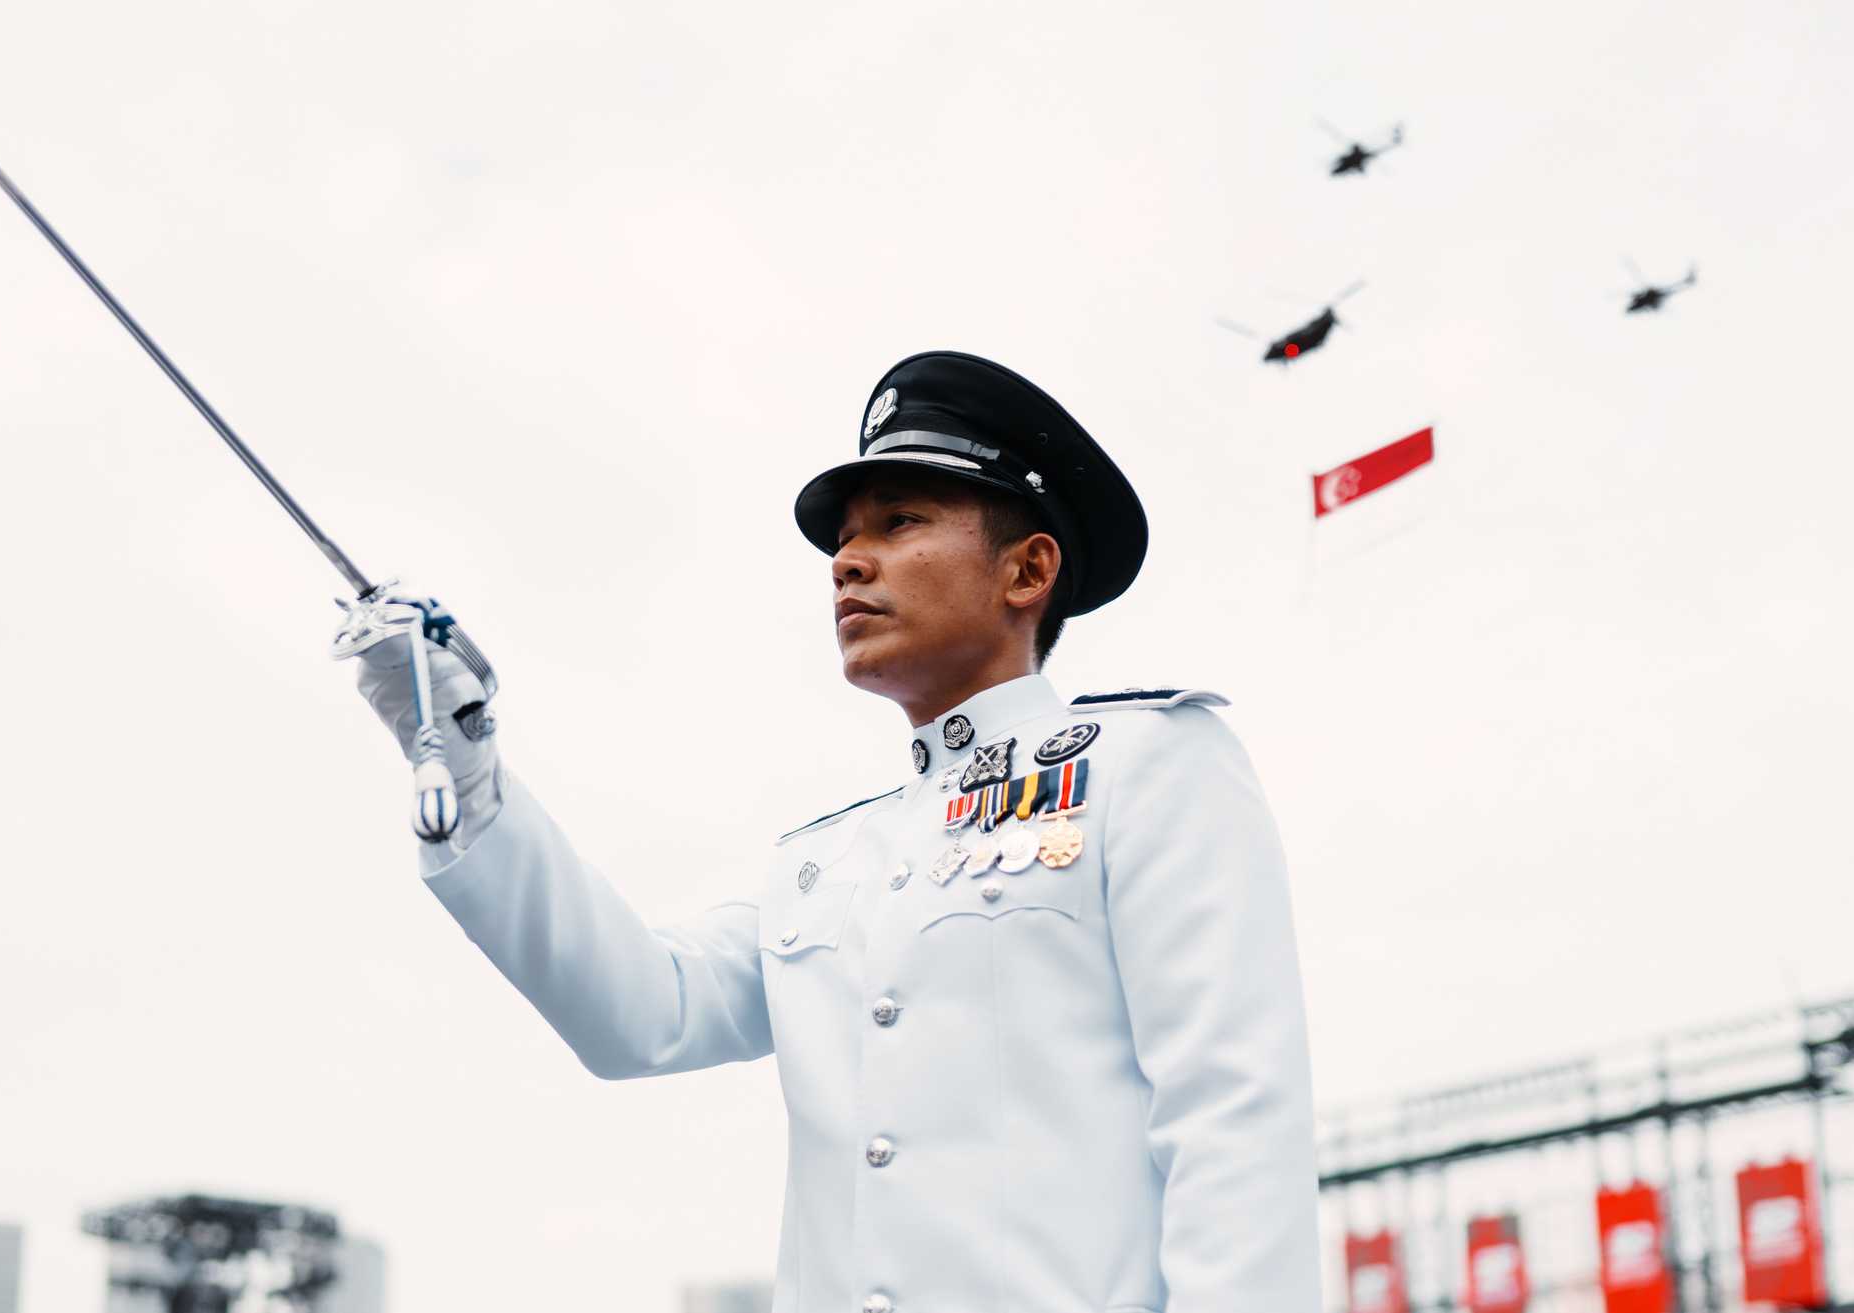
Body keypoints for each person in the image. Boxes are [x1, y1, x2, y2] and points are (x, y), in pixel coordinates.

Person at [351, 351, 1322, 1312]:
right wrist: (465, 759)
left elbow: (1232, 1124)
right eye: (843, 541)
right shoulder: (825, 860)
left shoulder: (1147, 764)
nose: (847, 561)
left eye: (899, 522)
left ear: (1026, 568)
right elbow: (642, 1012)